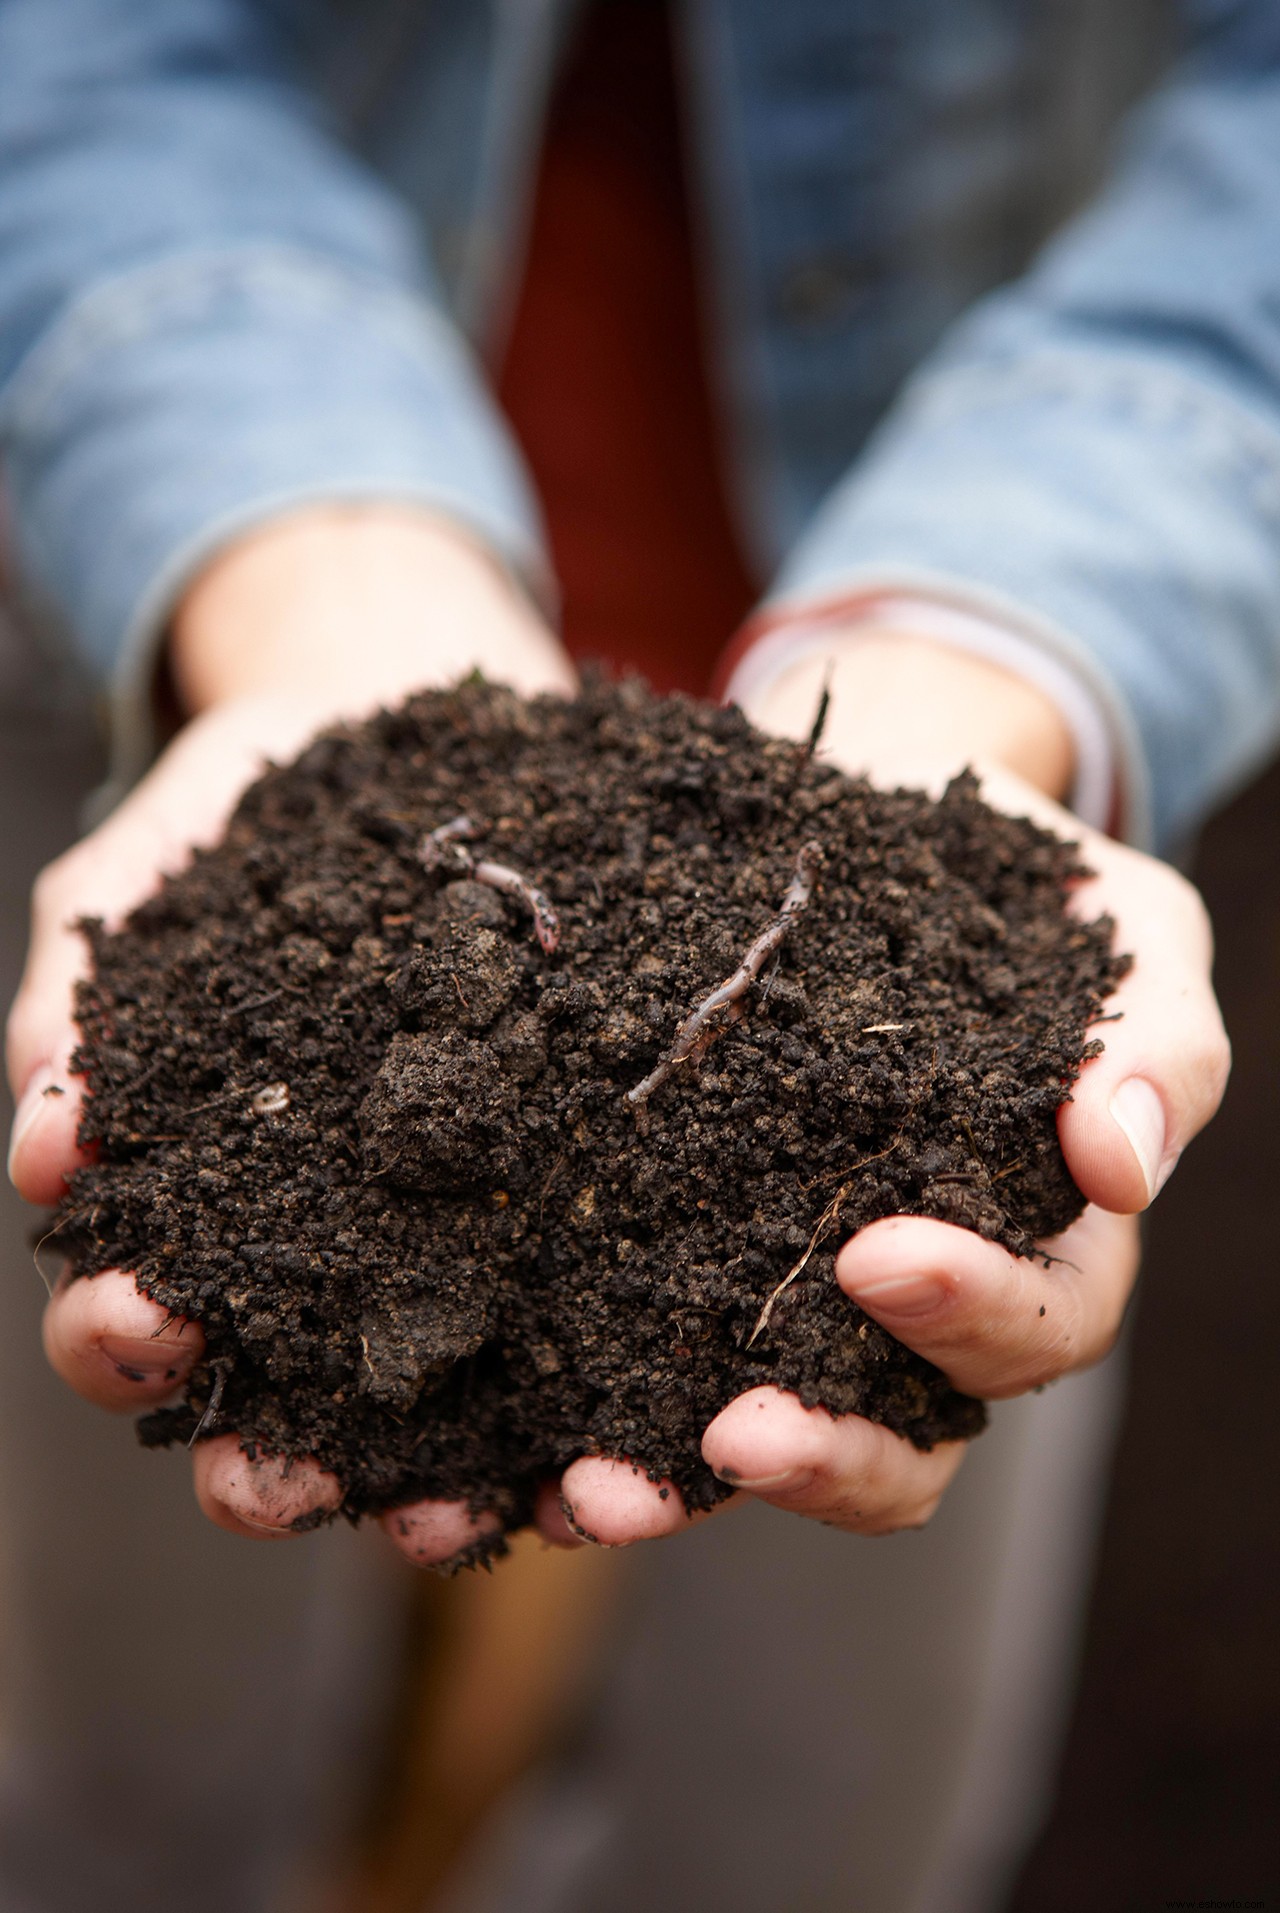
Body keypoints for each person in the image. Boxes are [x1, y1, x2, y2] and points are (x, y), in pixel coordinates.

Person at [0, 0, 1265, 1906]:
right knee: (124, 1736)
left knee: (821, 1780)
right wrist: (295, 565)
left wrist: (1018, 625)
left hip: (983, 536)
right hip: (189, 565)